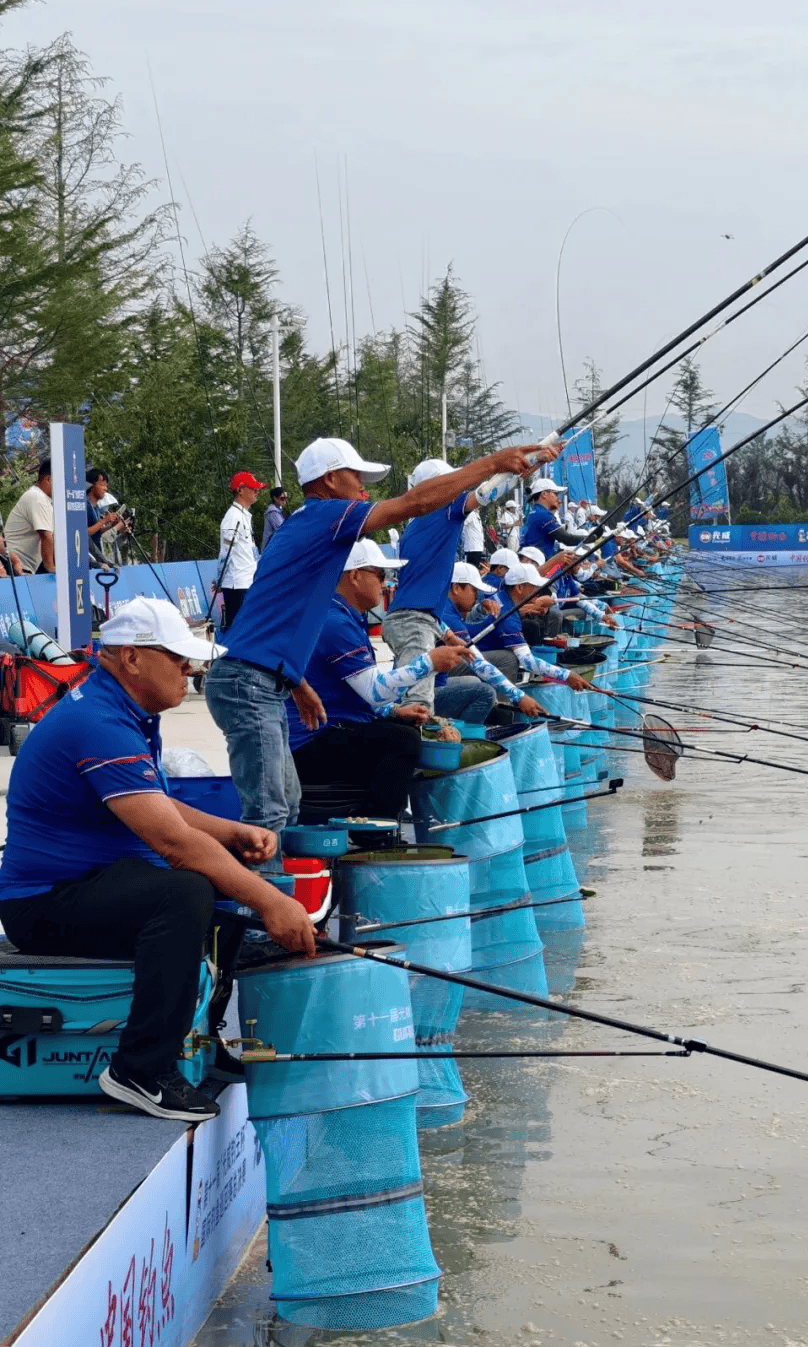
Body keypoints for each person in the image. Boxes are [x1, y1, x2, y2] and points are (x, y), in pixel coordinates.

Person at [0, 597, 314, 1123]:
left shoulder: (122, 707)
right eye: (178, 657)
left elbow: (155, 806)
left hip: (95, 881)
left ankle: (202, 1036)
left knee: (216, 883)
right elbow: (173, 843)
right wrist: (272, 904)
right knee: (189, 888)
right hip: (43, 904)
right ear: (131, 659)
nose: (190, 668)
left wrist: (232, 831)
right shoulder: (99, 721)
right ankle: (140, 1071)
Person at [204, 436, 555, 849]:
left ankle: (297, 889)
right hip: (248, 684)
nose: (363, 488)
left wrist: (296, 682)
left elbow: (267, 621)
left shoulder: (308, 530)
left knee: (287, 805)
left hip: (262, 680)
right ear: (331, 480)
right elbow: (415, 503)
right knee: (269, 813)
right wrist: (494, 460)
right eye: (356, 477)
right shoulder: (326, 515)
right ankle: (275, 903)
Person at [288, 539, 465, 819]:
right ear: (355, 576)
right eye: (381, 575)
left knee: (401, 726)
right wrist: (430, 662)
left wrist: (395, 710)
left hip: (334, 728)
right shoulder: (335, 622)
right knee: (402, 740)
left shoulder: (344, 615)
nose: (386, 583)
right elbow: (374, 691)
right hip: (311, 741)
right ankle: (377, 829)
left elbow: (359, 692)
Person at [383, 455, 540, 712]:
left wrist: (444, 632)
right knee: (418, 707)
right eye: (449, 483)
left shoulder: (417, 526)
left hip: (420, 619)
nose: (456, 487)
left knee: (413, 697)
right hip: (415, 622)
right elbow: (485, 492)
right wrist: (523, 463)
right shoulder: (443, 512)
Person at [439, 561, 550, 718]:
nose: (477, 596)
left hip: (440, 673)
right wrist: (519, 697)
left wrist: (481, 607)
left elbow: (471, 618)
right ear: (456, 588)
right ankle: (487, 722)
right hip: (430, 687)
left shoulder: (447, 607)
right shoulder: (447, 616)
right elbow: (477, 662)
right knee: (481, 688)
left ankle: (499, 707)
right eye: (474, 590)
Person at [475, 561, 592, 692]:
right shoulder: (506, 614)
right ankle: (502, 702)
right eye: (534, 587)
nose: (538, 591)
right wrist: (567, 675)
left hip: (481, 652)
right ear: (519, 587)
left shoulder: (502, 599)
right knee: (510, 659)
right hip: (473, 658)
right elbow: (528, 662)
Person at [218, 472, 267, 629]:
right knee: (236, 628)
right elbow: (226, 553)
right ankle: (231, 654)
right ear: (240, 490)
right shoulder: (233, 517)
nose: (257, 491)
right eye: (253, 488)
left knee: (246, 628)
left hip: (247, 581)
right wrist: (219, 578)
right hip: (236, 584)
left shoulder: (244, 515)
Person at [519, 477, 590, 562]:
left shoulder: (536, 511)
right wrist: (590, 538)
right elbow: (567, 539)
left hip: (532, 559)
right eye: (555, 494)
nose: (558, 498)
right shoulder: (543, 514)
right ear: (544, 494)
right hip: (536, 562)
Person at [5, 459, 54, 574]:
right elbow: (46, 536)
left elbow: (53, 539)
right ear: (48, 479)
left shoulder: (45, 500)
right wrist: (52, 568)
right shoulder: (37, 498)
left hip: (27, 569)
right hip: (15, 569)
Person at [86, 467, 124, 567]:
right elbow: (84, 533)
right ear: (91, 485)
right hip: (87, 557)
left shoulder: (96, 507)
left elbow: (96, 532)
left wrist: (111, 525)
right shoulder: (84, 505)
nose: (105, 489)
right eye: (102, 484)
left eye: (106, 485)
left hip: (96, 554)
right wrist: (104, 521)